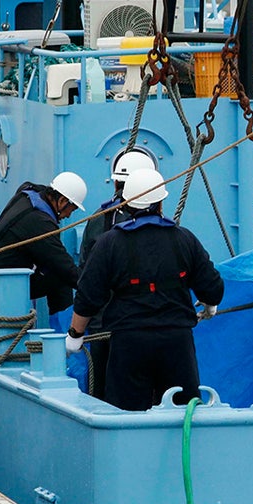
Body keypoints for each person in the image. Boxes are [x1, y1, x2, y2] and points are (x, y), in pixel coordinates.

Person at [66, 168, 224, 411]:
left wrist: (75, 336)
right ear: (160, 202)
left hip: (129, 343)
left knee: (126, 414)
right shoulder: (184, 239)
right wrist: (210, 304)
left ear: (127, 204)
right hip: (177, 343)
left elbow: (88, 297)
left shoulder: (109, 243)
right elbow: (213, 288)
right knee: (184, 413)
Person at [76, 150, 156, 399]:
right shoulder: (160, 226)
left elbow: (86, 275)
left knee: (100, 392)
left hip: (102, 324)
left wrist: (76, 331)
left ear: (116, 182)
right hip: (145, 325)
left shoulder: (99, 220)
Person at [0, 172, 87, 314]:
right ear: (62, 201)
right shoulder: (40, 223)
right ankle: (63, 331)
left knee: (56, 272)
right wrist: (95, 287)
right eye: (71, 210)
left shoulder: (29, 194)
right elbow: (66, 269)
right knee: (61, 276)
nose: (68, 216)